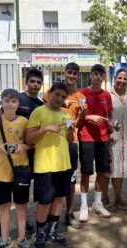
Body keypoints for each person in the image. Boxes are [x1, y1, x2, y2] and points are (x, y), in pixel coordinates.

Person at [0, 69, 43, 243]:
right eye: (32, 81)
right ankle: (0, 231)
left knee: (22, 194)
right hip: (10, 157)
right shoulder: (17, 99)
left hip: (30, 154)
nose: (35, 85)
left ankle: (25, 225)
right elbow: (0, 118)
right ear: (26, 82)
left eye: (38, 82)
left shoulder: (41, 104)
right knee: (5, 197)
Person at [26, 82, 74, 248]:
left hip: (63, 164)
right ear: (49, 93)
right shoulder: (39, 112)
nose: (59, 99)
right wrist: (45, 129)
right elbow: (29, 139)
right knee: (45, 201)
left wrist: (70, 133)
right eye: (57, 94)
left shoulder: (66, 116)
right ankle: (40, 233)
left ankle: (53, 231)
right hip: (45, 164)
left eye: (63, 97)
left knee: (59, 198)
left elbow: (69, 140)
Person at [0, 89, 32, 248]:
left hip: (20, 169)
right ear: (2, 103)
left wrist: (21, 147)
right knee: (4, 206)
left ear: (18, 104)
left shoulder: (24, 122)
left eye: (13, 101)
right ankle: (4, 239)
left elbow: (30, 144)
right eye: (7, 101)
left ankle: (22, 238)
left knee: (21, 206)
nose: (10, 104)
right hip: (1, 171)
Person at [43, 62, 86, 229]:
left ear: (78, 75)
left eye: (75, 73)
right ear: (64, 73)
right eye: (69, 72)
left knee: (71, 179)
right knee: (52, 178)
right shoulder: (52, 91)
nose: (72, 75)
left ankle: (68, 214)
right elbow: (45, 109)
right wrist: (62, 103)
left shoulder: (80, 96)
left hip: (71, 142)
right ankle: (48, 216)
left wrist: (83, 115)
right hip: (53, 141)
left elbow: (78, 124)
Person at [78, 64, 114, 222]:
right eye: (95, 74)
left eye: (101, 74)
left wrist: (113, 125)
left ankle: (97, 203)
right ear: (91, 75)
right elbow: (78, 117)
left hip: (103, 138)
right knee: (86, 172)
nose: (98, 77)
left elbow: (109, 116)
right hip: (86, 137)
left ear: (103, 77)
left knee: (102, 171)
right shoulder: (82, 94)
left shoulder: (106, 95)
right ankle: (84, 206)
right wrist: (88, 117)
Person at [103, 69, 127, 210]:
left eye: (125, 79)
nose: (122, 81)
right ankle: (104, 198)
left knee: (120, 168)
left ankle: (118, 197)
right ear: (114, 78)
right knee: (108, 167)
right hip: (111, 137)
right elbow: (104, 115)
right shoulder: (107, 94)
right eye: (119, 78)